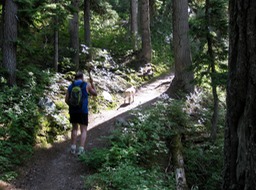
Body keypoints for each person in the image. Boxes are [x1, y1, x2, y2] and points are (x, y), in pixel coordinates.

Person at [65, 71, 97, 155]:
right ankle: (81, 150)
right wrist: (92, 83)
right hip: (83, 111)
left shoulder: (71, 86)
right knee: (83, 130)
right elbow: (95, 94)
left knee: (74, 128)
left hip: (73, 111)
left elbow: (66, 100)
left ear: (75, 78)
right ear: (82, 77)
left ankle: (73, 148)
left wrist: (72, 106)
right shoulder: (86, 85)